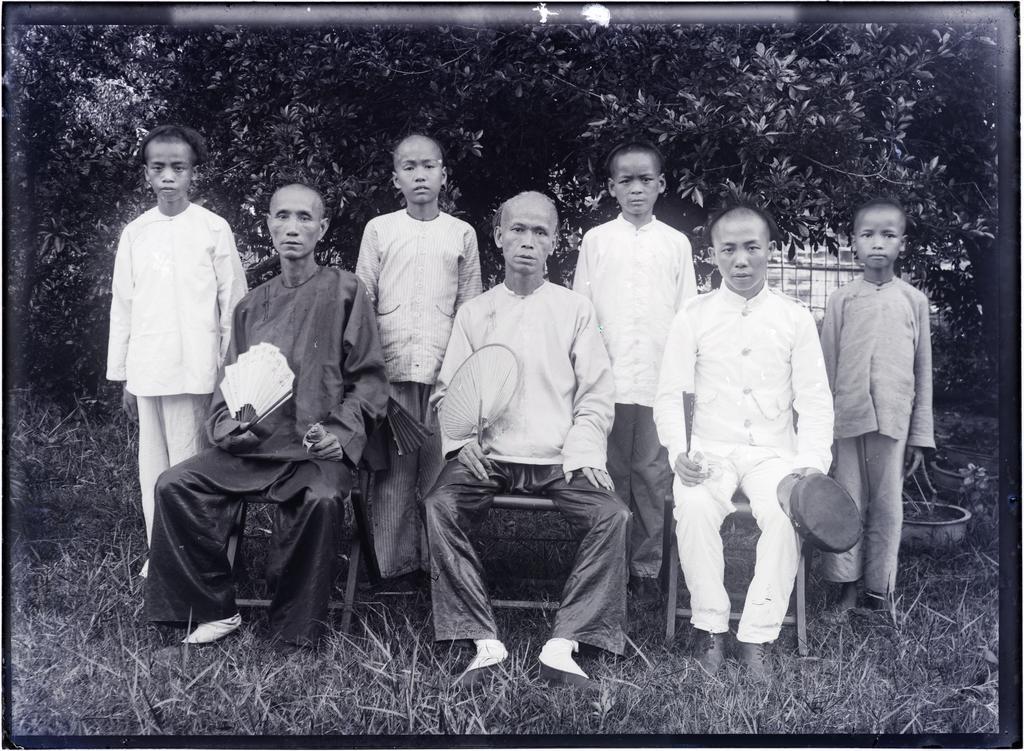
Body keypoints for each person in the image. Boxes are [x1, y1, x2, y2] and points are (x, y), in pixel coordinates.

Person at [144, 183, 388, 646]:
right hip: (255, 449)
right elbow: (228, 390)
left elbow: (370, 381)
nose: (292, 228)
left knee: (318, 500)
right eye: (282, 217)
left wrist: (341, 433)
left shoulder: (345, 291)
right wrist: (229, 429)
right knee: (174, 484)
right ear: (269, 224)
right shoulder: (250, 306)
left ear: (322, 227)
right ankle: (213, 608)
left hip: (315, 451)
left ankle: (293, 629)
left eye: (304, 218)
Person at [422, 191, 630, 689]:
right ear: (498, 236)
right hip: (490, 455)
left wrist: (582, 452)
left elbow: (596, 394)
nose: (527, 242)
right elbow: (450, 390)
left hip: (560, 456)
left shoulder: (575, 309)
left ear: (555, 243)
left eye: (540, 233)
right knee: (439, 504)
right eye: (517, 229)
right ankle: (482, 641)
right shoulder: (476, 312)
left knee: (613, 515)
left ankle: (565, 644)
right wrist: (458, 442)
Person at [653, 204, 834, 678]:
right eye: (728, 249)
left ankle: (758, 635)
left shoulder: (794, 318)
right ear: (713, 254)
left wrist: (810, 467)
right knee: (691, 505)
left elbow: (815, 400)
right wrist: (678, 454)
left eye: (752, 247)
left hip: (776, 453)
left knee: (785, 513)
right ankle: (710, 627)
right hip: (710, 449)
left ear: (769, 250)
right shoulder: (693, 315)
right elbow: (669, 394)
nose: (741, 259)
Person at [107, 124, 248, 579]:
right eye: (158, 167)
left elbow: (235, 305)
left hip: (199, 371)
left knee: (193, 466)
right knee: (154, 468)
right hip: (149, 370)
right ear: (146, 174)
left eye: (178, 167)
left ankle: (202, 556)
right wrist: (125, 376)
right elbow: (123, 306)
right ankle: (162, 553)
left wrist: (231, 373)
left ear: (192, 174)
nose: (168, 176)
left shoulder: (212, 228)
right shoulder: (136, 233)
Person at [572, 140, 697, 605]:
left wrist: (682, 373)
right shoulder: (597, 241)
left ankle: (646, 569)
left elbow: (686, 313)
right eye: (626, 180)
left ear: (661, 184)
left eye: (646, 179)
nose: (637, 189)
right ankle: (608, 566)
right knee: (610, 470)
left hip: (659, 380)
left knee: (650, 472)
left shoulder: (675, 244)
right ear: (611, 188)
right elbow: (584, 310)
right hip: (609, 377)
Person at [356, 134, 482, 583]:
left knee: (438, 474)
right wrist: (368, 372)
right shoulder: (380, 229)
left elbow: (472, 307)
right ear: (396, 178)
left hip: (443, 377)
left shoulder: (460, 233)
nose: (420, 175)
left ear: (444, 174)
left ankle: (438, 567)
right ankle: (391, 567)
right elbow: (363, 299)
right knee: (391, 475)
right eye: (409, 167)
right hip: (390, 373)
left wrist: (466, 377)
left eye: (429, 166)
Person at [818, 198, 934, 612]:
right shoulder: (841, 300)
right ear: (853, 243)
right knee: (847, 502)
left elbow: (924, 373)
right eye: (868, 235)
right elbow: (826, 367)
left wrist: (920, 436)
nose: (878, 244)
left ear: (902, 243)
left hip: (894, 422)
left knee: (887, 507)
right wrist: (821, 429)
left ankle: (879, 590)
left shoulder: (914, 301)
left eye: (888, 235)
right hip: (847, 420)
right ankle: (845, 586)